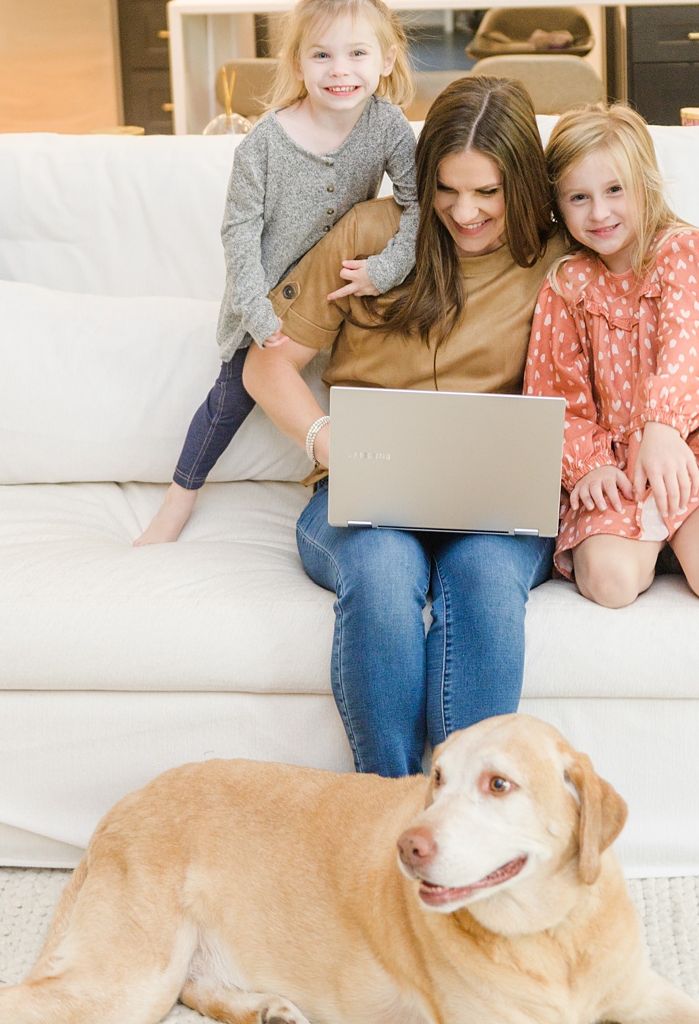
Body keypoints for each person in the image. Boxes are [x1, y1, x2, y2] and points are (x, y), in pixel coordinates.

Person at [241, 74, 569, 778]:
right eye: (448, 189)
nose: (465, 212)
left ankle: (470, 809)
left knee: (482, 579)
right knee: (385, 571)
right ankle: (386, 800)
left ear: (526, 182)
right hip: (362, 494)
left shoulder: (557, 260)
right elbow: (266, 368)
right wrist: (327, 442)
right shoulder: (373, 233)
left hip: (497, 504)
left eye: (489, 192)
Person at [136, 0, 419, 545]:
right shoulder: (265, 142)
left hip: (343, 285)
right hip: (271, 295)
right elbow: (238, 234)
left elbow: (417, 209)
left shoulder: (388, 126)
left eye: (357, 53)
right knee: (230, 395)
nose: (340, 71)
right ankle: (178, 499)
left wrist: (382, 271)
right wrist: (257, 314)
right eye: (322, 56)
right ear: (297, 63)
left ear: (386, 60)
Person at [524, 104, 699, 615]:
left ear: (646, 185)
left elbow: (689, 346)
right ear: (558, 205)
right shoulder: (566, 284)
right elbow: (551, 397)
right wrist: (586, 468)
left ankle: (681, 539)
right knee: (611, 583)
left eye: (615, 190)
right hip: (613, 471)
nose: (600, 213)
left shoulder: (685, 253)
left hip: (689, 456)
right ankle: (649, 545)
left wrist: (661, 427)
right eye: (579, 197)